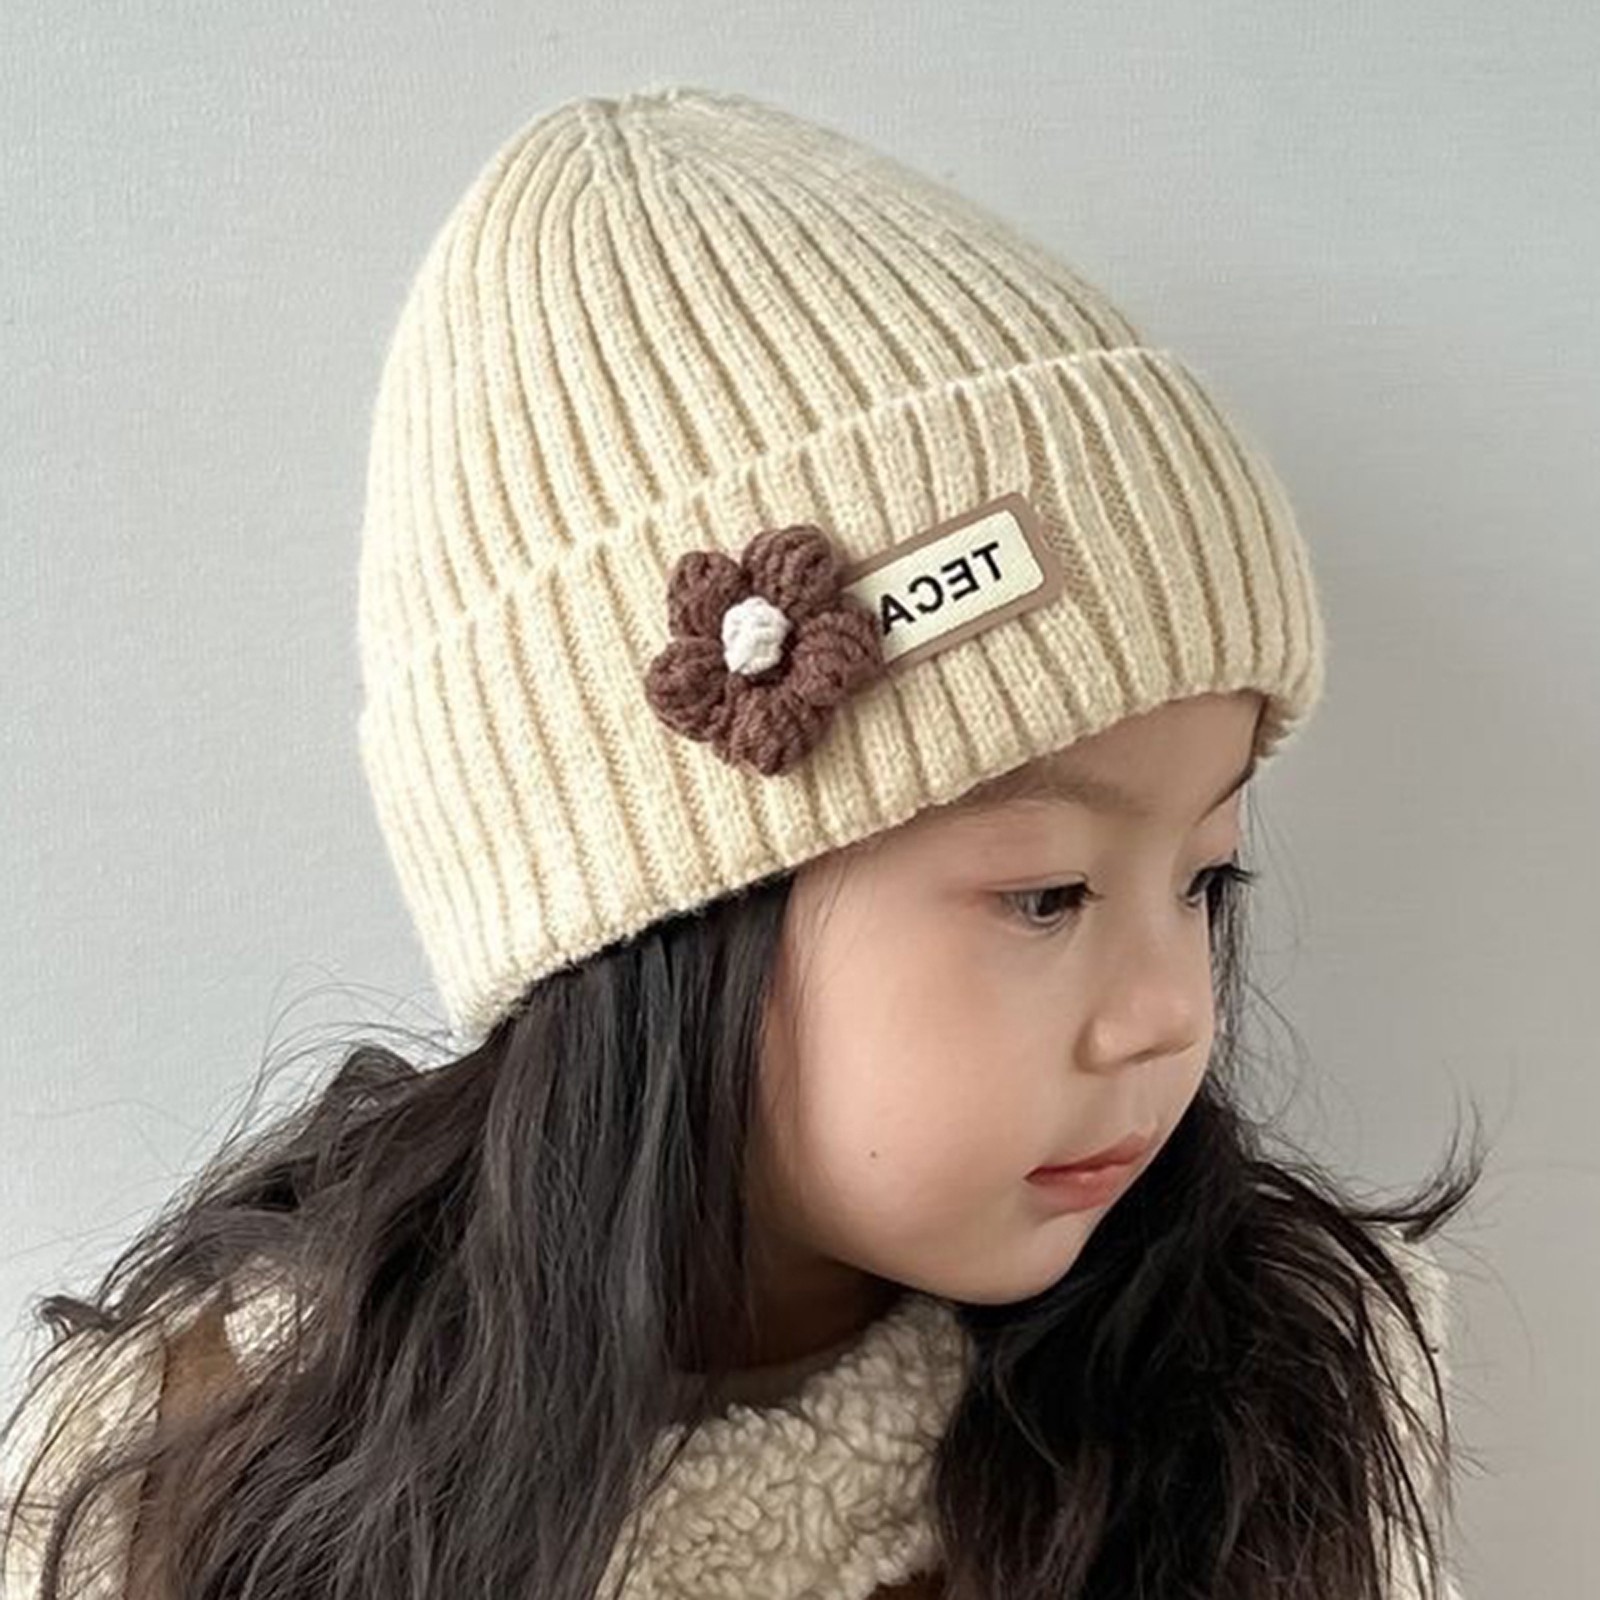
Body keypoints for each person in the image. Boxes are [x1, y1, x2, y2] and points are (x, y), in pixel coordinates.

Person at [0, 83, 1481, 1600]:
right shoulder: (205, 1474)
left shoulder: (1265, 1414)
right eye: (1047, 895)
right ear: (655, 915)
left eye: (1205, 878)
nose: (1173, 1011)